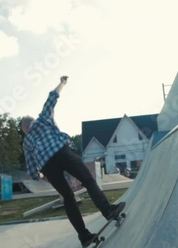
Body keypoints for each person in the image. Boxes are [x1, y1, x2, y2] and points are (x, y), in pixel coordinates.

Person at [21, 76, 124, 247]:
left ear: (25, 129)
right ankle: (108, 211)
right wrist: (62, 83)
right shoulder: (42, 118)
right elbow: (52, 97)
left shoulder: (26, 141)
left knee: (68, 198)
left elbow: (31, 168)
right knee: (87, 180)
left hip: (47, 166)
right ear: (32, 121)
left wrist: (39, 175)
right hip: (61, 152)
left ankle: (84, 236)